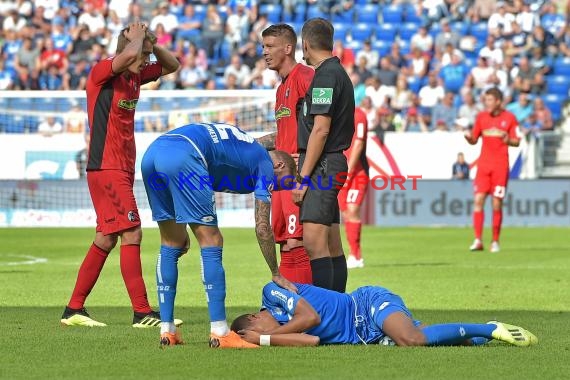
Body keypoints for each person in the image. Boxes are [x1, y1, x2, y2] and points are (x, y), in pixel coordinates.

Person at [61, 22, 180, 327]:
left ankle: (74, 309)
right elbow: (127, 56)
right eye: (142, 55)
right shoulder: (102, 73)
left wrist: (150, 44)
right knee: (132, 231)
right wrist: (136, 39)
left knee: (105, 239)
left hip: (121, 166)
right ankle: (142, 312)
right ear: (128, 50)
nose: (145, 62)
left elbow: (172, 65)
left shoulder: (135, 76)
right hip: (106, 166)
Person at [141, 122, 298, 348]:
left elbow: (274, 137)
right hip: (186, 153)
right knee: (212, 240)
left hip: (154, 153)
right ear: (280, 165)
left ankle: (167, 331)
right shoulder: (265, 165)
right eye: (286, 182)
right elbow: (263, 228)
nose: (281, 189)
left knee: (171, 242)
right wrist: (276, 272)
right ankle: (220, 331)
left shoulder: (250, 147)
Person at [231, 282, 538, 348]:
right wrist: (266, 340)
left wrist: (266, 336)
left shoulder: (271, 292)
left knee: (412, 340)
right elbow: (310, 340)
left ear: (255, 316)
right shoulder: (280, 330)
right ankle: (474, 340)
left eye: (263, 329)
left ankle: (488, 328)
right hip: (366, 335)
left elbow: (309, 318)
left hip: (366, 304)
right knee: (421, 338)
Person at [291, 18, 355, 292]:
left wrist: (303, 178)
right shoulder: (337, 72)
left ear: (305, 44)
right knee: (330, 241)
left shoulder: (325, 76)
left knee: (315, 243)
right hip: (330, 161)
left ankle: (326, 316)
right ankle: (339, 311)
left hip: (323, 164)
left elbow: (320, 130)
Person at [256, 24, 315, 284]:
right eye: (263, 47)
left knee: (296, 241)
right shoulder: (281, 89)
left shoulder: (305, 76)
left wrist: (306, 156)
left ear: (288, 48)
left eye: (270, 46)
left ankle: (308, 306)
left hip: (296, 173)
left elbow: (323, 121)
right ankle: (289, 307)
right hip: (280, 174)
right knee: (283, 241)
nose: (264, 52)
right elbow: (283, 134)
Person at [464, 87, 520, 253]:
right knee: (478, 200)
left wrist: (508, 140)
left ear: (498, 101)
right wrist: (469, 139)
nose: (487, 103)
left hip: (500, 167)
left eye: (490, 100)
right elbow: (474, 139)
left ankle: (495, 240)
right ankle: (478, 240)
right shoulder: (481, 117)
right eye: (485, 100)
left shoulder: (509, 118)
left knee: (496, 203)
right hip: (483, 166)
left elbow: (517, 141)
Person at [338, 107, 369, 269]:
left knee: (352, 210)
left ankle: (356, 255)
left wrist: (349, 171)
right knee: (346, 213)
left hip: (357, 173)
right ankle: (353, 254)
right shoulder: (338, 113)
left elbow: (359, 143)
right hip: (339, 170)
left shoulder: (359, 114)